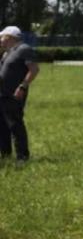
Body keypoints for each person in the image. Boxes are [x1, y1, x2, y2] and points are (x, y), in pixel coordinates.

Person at [0, 25, 39, 165]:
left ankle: (22, 157)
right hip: (2, 95)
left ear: (10, 37)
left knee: (15, 125)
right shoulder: (7, 52)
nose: (0, 40)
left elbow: (34, 69)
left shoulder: (24, 49)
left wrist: (22, 86)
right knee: (2, 126)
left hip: (14, 95)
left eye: (2, 37)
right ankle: (5, 155)